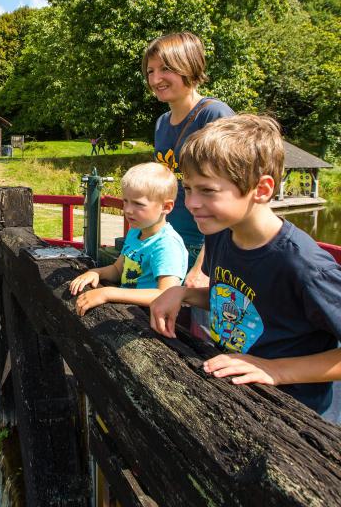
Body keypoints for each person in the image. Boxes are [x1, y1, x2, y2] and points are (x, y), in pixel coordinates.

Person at [150, 114, 341, 418]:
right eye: (188, 189)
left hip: (297, 417)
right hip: (240, 397)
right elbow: (235, 297)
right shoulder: (222, 234)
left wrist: (274, 369)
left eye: (207, 191)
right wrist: (183, 294)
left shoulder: (304, 265)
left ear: (262, 189)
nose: (191, 203)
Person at [143, 32, 234, 334]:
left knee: (208, 338)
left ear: (188, 66)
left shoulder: (213, 115)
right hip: (173, 244)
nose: (156, 79)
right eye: (150, 71)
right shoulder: (161, 123)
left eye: (165, 69)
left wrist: (203, 267)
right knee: (170, 331)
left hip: (209, 248)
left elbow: (229, 197)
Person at [70, 162, 188, 315]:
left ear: (166, 207)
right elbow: (118, 270)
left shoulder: (167, 245)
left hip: (149, 321)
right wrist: (96, 273)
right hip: (127, 312)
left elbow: (166, 294)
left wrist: (108, 293)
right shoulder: (135, 232)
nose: (127, 210)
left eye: (138, 204)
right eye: (125, 201)